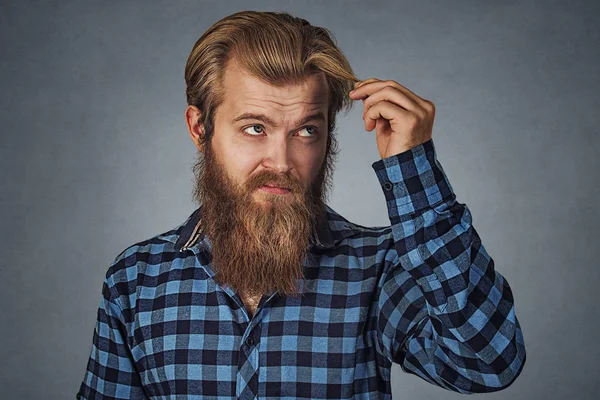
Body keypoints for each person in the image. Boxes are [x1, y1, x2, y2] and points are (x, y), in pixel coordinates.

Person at [76, 10, 526, 399]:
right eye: (255, 128)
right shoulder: (136, 281)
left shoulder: (377, 270)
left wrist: (414, 169)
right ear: (200, 129)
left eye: (306, 131)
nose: (282, 162)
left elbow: (487, 361)